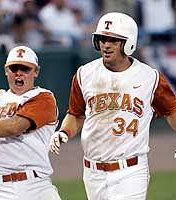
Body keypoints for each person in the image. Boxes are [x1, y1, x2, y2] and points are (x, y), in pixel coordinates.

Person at [50, 12, 176, 200]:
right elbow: (76, 114)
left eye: (113, 40)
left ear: (129, 43)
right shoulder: (85, 74)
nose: (106, 45)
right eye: (102, 39)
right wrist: (64, 132)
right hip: (92, 172)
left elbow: (172, 110)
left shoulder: (149, 77)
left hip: (131, 170)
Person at [0, 45, 61, 200]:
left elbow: (15, 126)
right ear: (6, 70)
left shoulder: (43, 97)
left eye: (25, 69)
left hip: (33, 186)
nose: (19, 73)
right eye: (14, 68)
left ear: (36, 72)